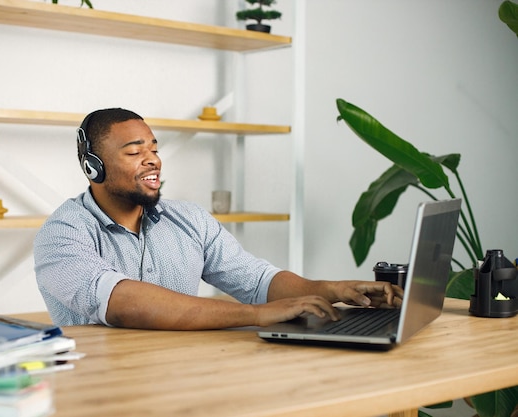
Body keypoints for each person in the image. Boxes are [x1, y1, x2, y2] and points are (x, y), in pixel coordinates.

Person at [34, 108, 403, 329]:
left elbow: (257, 280)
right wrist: (255, 315)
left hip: (186, 372)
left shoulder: (189, 219)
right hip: (101, 386)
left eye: (154, 149)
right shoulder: (63, 232)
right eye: (134, 151)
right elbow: (120, 300)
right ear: (93, 167)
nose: (153, 160)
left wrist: (332, 290)